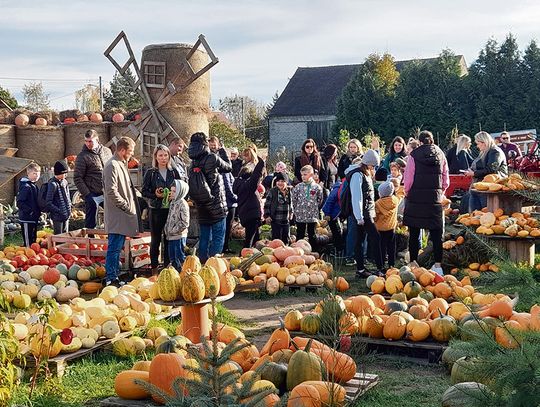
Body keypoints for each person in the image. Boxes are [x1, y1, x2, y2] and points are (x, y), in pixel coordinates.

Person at [403, 131, 449, 276]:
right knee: (436, 234)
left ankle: (413, 264)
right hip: (434, 199)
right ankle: (438, 266)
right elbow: (445, 179)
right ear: (432, 140)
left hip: (416, 198)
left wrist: (407, 192)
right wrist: (441, 192)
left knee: (414, 232)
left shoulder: (413, 156)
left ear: (420, 142)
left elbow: (408, 178)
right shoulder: (440, 154)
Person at [188, 132, 232, 262]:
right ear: (205, 143)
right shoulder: (212, 158)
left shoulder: (193, 162)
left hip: (202, 205)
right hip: (216, 204)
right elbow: (228, 167)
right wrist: (222, 150)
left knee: (204, 237)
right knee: (218, 236)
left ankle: (202, 264)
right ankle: (214, 264)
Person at [103, 137, 141, 286]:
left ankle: (115, 277)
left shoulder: (120, 164)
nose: (131, 155)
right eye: (130, 152)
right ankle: (110, 279)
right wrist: (125, 205)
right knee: (114, 247)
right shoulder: (112, 165)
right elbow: (111, 191)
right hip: (117, 214)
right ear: (122, 150)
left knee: (117, 247)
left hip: (122, 214)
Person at [142, 144, 180, 272]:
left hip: (170, 209)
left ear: (169, 156)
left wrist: (173, 194)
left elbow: (180, 187)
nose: (163, 158)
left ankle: (167, 267)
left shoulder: (173, 172)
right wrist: (155, 195)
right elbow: (144, 191)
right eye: (160, 155)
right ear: (156, 157)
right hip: (156, 209)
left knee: (169, 238)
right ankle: (154, 268)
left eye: (165, 155)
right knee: (156, 238)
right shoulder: (151, 173)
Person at [347, 151, 383, 277]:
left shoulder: (364, 173)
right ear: (368, 163)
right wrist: (359, 217)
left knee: (360, 240)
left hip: (366, 212)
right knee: (375, 237)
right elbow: (357, 196)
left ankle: (361, 269)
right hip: (362, 214)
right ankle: (379, 268)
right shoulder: (357, 175)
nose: (374, 168)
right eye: (373, 165)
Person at [73, 129, 113, 229]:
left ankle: (111, 237)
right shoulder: (82, 157)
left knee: (114, 216)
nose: (88, 144)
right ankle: (90, 240)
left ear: (97, 140)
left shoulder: (107, 152)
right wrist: (87, 195)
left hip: (107, 191)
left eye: (90, 141)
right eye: (86, 141)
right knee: (91, 221)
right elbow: (77, 178)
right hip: (92, 192)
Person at [464, 131, 507, 211]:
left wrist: (474, 173)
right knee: (474, 214)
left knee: (485, 213)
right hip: (478, 187)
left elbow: (491, 169)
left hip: (489, 189)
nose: (477, 146)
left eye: (478, 143)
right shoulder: (483, 152)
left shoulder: (495, 151)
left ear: (484, 142)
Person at [233, 149, 265, 248]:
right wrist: (261, 162)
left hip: (244, 215)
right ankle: (244, 257)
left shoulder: (237, 184)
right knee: (249, 240)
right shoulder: (249, 185)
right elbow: (256, 175)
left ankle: (254, 256)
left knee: (255, 238)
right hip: (253, 215)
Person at [291, 165, 323, 252]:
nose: (303, 177)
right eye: (302, 175)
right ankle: (297, 251)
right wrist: (296, 210)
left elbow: (319, 200)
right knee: (300, 234)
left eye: (305, 174)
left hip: (312, 215)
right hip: (300, 215)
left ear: (311, 175)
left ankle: (314, 251)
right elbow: (294, 199)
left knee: (312, 234)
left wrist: (314, 208)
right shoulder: (298, 187)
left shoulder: (317, 187)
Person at [164, 180, 190, 270]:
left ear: (181, 191)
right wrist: (167, 229)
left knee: (179, 257)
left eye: (174, 191)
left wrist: (173, 230)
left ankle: (182, 273)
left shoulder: (183, 204)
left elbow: (185, 222)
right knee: (172, 257)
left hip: (179, 236)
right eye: (171, 191)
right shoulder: (173, 203)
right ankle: (173, 275)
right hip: (171, 236)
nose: (172, 193)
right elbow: (170, 217)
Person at [375, 181, 401, 269]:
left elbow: (375, 216)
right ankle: (391, 264)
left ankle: (381, 265)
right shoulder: (395, 200)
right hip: (391, 228)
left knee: (382, 247)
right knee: (391, 247)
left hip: (381, 229)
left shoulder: (378, 203)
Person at [17, 163, 41, 247]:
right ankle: (28, 254)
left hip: (34, 217)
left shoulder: (34, 186)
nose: (36, 176)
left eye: (38, 174)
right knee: (28, 241)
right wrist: (30, 211)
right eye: (34, 173)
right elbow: (20, 202)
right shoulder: (26, 186)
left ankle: (33, 254)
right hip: (27, 218)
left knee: (33, 238)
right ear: (28, 173)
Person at [264, 172, 292, 243]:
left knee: (286, 239)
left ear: (286, 182)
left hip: (286, 220)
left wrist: (291, 213)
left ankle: (286, 250)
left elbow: (291, 203)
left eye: (282, 181)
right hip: (275, 220)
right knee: (276, 240)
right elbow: (267, 204)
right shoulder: (273, 191)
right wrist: (267, 216)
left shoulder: (289, 192)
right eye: (278, 181)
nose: (280, 183)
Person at [46, 160, 71, 235]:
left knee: (65, 234)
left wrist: (69, 208)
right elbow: (48, 202)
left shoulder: (65, 182)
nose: (65, 175)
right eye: (64, 173)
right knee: (58, 236)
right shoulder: (52, 184)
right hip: (57, 216)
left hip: (66, 214)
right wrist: (58, 210)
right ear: (58, 173)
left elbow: (67, 197)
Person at [322, 177, 344, 253]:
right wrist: (327, 214)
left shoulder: (341, 188)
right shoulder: (337, 189)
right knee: (335, 231)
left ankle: (339, 246)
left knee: (338, 230)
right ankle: (338, 248)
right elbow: (329, 201)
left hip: (338, 213)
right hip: (331, 213)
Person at [222, 155, 238, 254]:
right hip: (229, 202)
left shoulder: (226, 172)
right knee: (227, 225)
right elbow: (228, 188)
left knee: (227, 225)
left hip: (229, 201)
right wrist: (236, 198)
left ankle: (225, 246)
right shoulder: (225, 172)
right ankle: (225, 247)